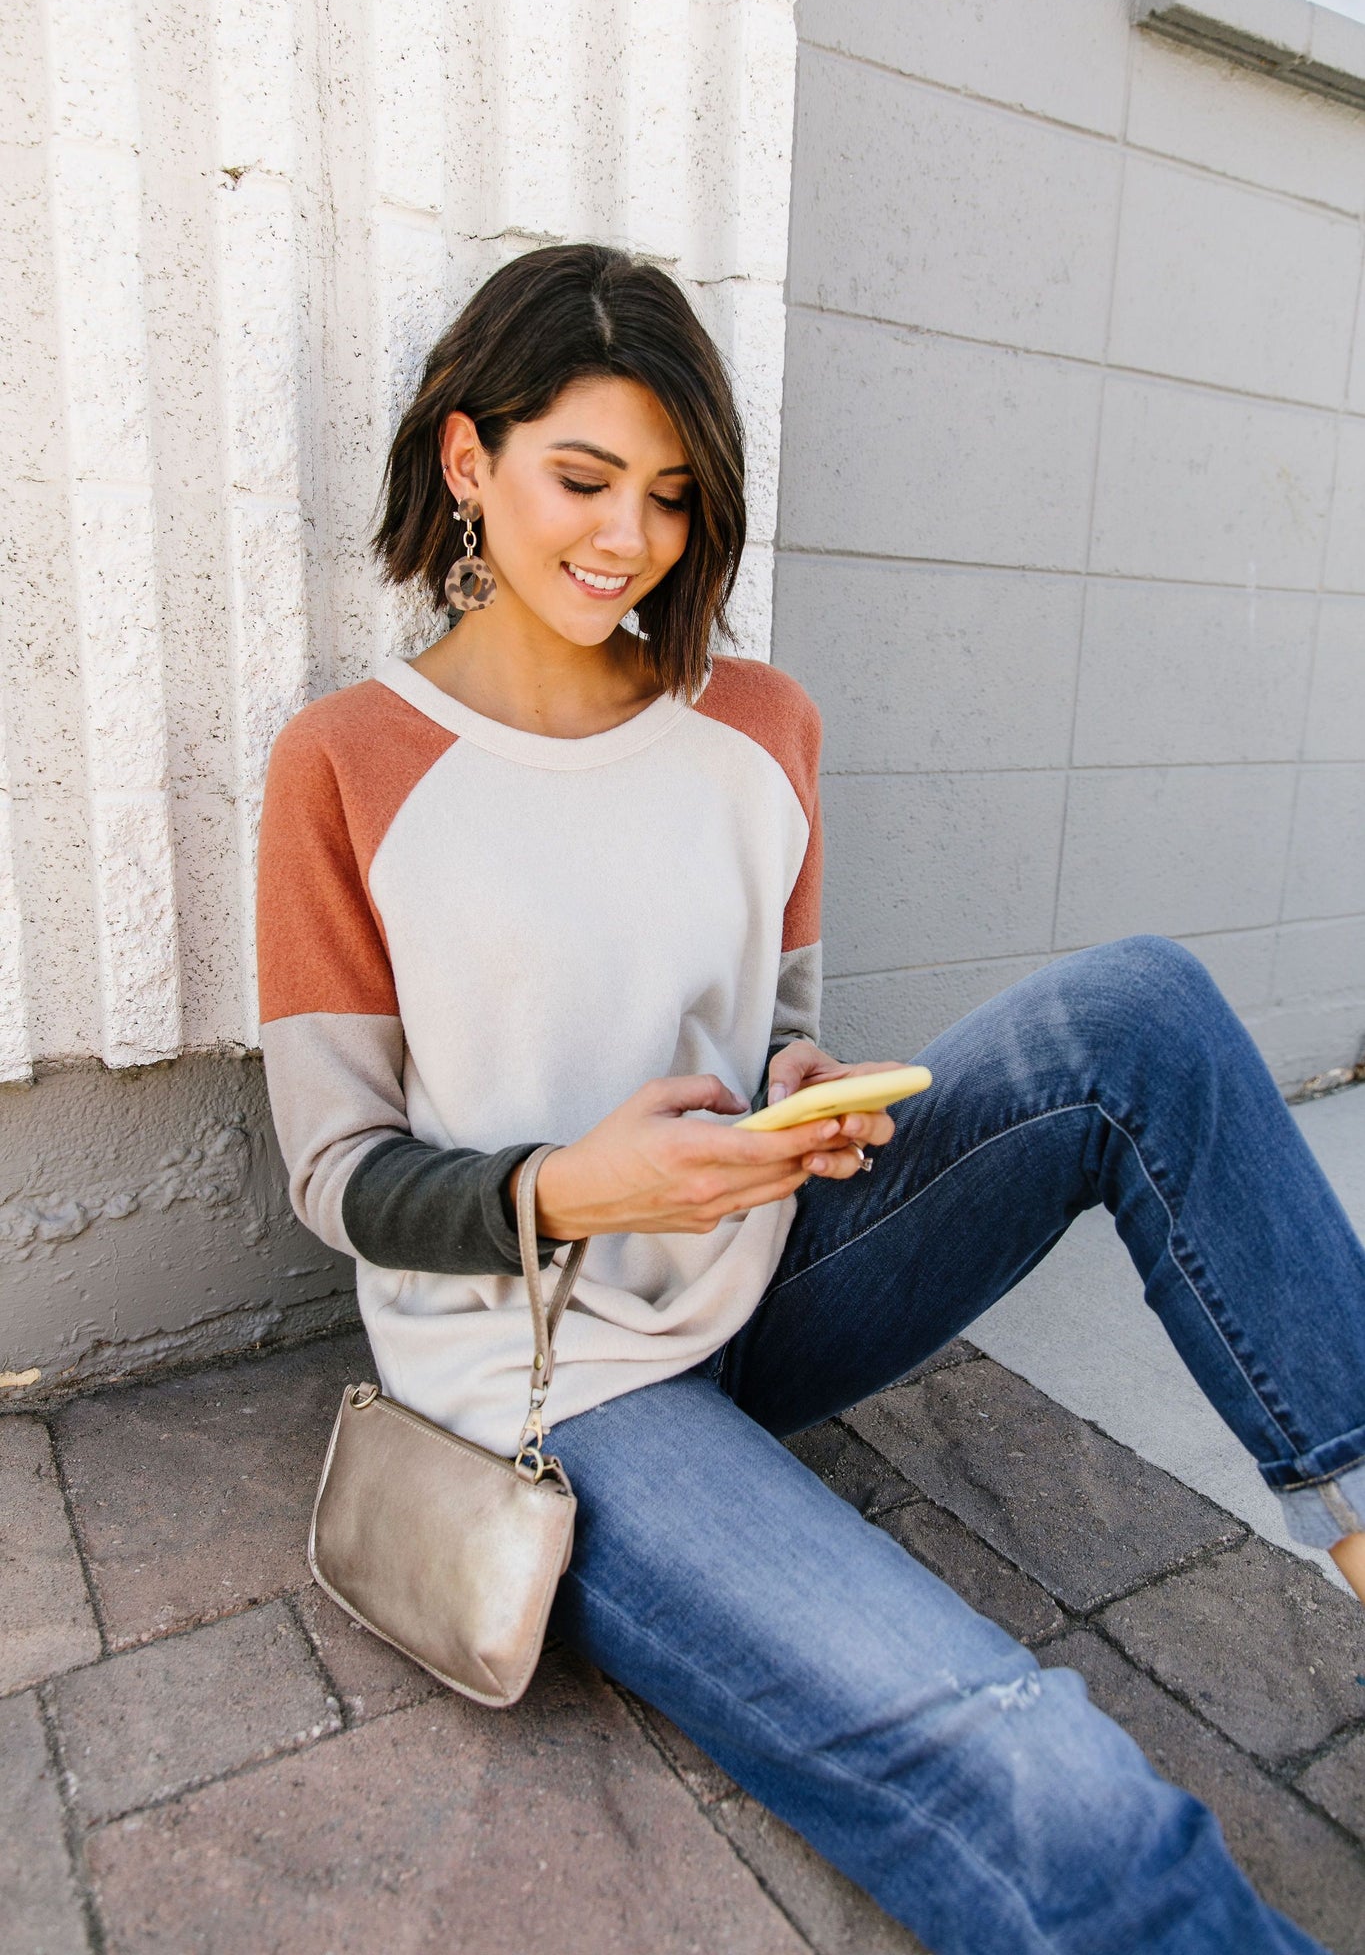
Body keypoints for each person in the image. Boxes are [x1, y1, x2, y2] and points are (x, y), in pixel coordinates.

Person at [256, 242, 1365, 1955]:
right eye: (583, 479)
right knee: (1056, 1787)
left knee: (1138, 1007)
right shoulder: (348, 762)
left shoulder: (760, 725)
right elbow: (338, 1173)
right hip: (559, 1378)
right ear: (469, 459)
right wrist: (578, 1188)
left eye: (672, 494)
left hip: (768, 1275)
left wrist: (799, 1091)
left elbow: (771, 1032)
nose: (628, 538)